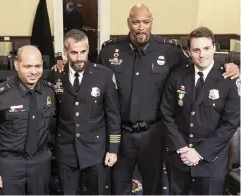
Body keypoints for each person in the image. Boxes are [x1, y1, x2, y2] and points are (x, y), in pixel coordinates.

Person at [53, 4, 239, 194]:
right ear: (128, 23)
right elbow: (90, 75)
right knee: (118, 187)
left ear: (151, 22)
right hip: (121, 134)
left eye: (146, 22)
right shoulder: (110, 51)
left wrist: (227, 66)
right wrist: (64, 63)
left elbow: (197, 66)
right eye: (136, 22)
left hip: (154, 135)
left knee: (154, 187)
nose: (141, 27)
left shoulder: (170, 51)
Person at [160, 27, 240, 195]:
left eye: (206, 48)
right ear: (189, 52)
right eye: (196, 50)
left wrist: (199, 152)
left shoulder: (228, 80)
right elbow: (166, 113)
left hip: (211, 160)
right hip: (179, 157)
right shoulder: (177, 76)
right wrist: (182, 148)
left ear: (214, 48)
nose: (202, 55)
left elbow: (231, 123)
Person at [48, 29, 121, 195]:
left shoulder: (104, 75)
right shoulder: (55, 75)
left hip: (97, 150)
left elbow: (113, 116)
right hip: (66, 150)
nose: (79, 57)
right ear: (65, 52)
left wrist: (113, 149)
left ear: (88, 49)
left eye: (83, 51)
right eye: (73, 52)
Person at [0, 45, 56, 194]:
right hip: (9, 166)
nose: (34, 71)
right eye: (27, 66)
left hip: (40, 164)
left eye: (38, 66)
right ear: (16, 65)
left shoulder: (49, 91)